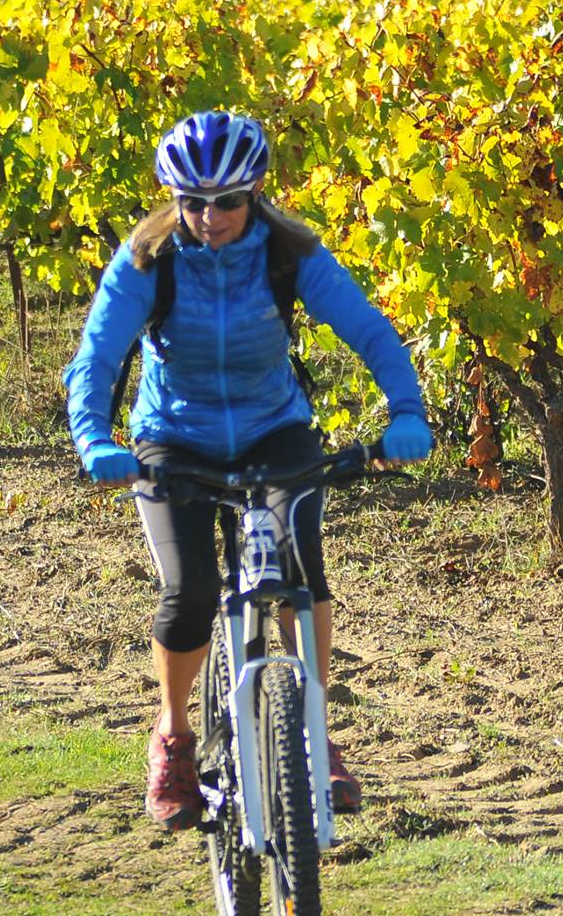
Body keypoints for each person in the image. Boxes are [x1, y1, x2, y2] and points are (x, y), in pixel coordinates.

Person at [63, 110, 433, 831]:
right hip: (174, 437)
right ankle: (174, 738)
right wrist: (94, 439)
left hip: (273, 430)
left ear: (255, 192)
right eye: (192, 201)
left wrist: (407, 412)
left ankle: (313, 727)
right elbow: (97, 357)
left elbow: (370, 330)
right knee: (191, 589)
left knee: (302, 572)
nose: (210, 217)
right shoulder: (148, 261)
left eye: (227, 200)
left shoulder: (290, 253)